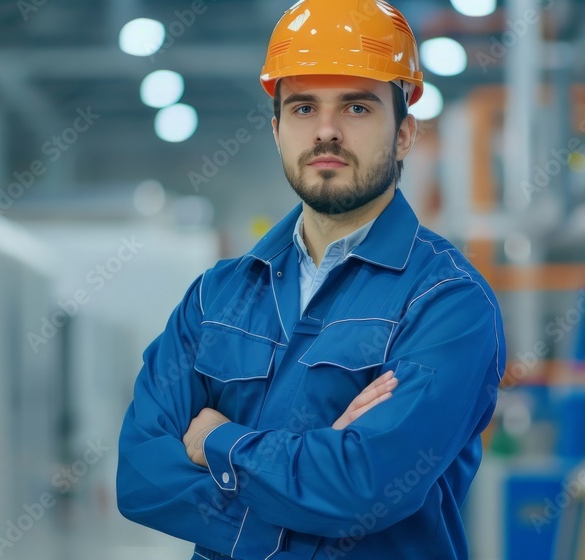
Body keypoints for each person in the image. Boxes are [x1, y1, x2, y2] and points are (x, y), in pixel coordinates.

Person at [116, 0, 506, 558]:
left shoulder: (448, 303)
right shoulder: (214, 297)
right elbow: (141, 476)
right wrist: (311, 476)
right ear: (277, 131)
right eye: (303, 108)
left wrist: (216, 439)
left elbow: (364, 488)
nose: (326, 131)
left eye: (356, 107)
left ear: (403, 134)